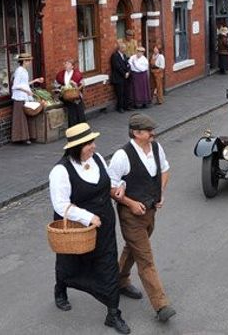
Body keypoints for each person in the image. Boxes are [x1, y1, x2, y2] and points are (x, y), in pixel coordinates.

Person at [49, 123, 131, 334]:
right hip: (78, 228)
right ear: (76, 147)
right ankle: (61, 288)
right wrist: (87, 217)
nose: (93, 146)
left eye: (93, 142)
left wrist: (120, 186)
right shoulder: (60, 171)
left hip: (104, 224)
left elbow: (109, 181)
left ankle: (113, 313)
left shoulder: (97, 158)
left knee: (108, 264)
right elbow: (60, 205)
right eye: (88, 144)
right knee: (70, 263)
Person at [107, 113, 176, 323]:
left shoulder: (156, 147)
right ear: (136, 133)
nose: (153, 133)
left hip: (151, 211)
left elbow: (165, 170)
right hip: (131, 215)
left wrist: (161, 192)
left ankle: (119, 280)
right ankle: (161, 305)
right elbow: (110, 186)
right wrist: (129, 203)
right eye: (148, 131)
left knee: (133, 247)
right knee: (145, 259)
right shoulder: (122, 155)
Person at [10, 53, 42, 145]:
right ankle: (20, 138)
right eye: (28, 61)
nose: (29, 63)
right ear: (24, 61)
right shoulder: (19, 71)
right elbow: (15, 85)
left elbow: (24, 83)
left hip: (24, 96)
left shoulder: (24, 70)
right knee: (20, 118)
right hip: (19, 97)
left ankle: (26, 137)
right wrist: (27, 91)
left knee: (25, 117)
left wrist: (35, 80)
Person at [55, 58, 86, 127]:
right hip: (65, 96)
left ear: (72, 66)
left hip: (75, 95)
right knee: (72, 107)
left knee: (78, 105)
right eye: (65, 63)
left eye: (68, 64)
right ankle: (73, 126)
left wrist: (75, 84)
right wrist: (61, 90)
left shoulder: (77, 74)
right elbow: (56, 85)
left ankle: (81, 126)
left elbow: (82, 85)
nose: (66, 65)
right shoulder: (60, 74)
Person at [110, 40, 131, 113]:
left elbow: (128, 64)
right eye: (124, 48)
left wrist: (128, 71)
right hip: (118, 78)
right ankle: (120, 107)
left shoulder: (124, 55)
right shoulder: (115, 56)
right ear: (120, 49)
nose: (125, 50)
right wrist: (124, 73)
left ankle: (126, 106)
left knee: (126, 92)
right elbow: (117, 67)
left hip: (125, 77)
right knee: (120, 93)